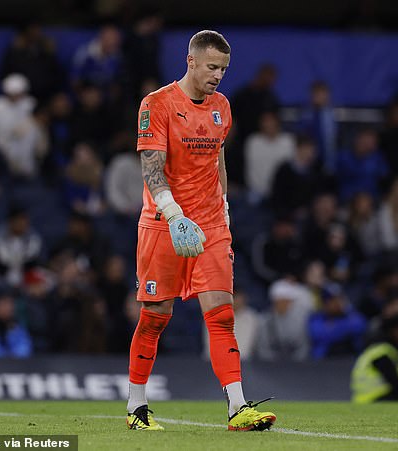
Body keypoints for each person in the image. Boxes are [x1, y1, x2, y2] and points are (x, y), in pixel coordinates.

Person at [128, 30, 275, 431]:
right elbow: (152, 170)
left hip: (210, 223)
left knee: (222, 315)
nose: (218, 76)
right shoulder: (156, 104)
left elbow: (218, 159)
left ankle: (238, 407)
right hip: (164, 222)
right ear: (190, 61)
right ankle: (136, 406)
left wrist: (223, 208)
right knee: (156, 315)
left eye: (224, 70)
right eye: (212, 67)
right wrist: (175, 216)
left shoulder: (222, 106)